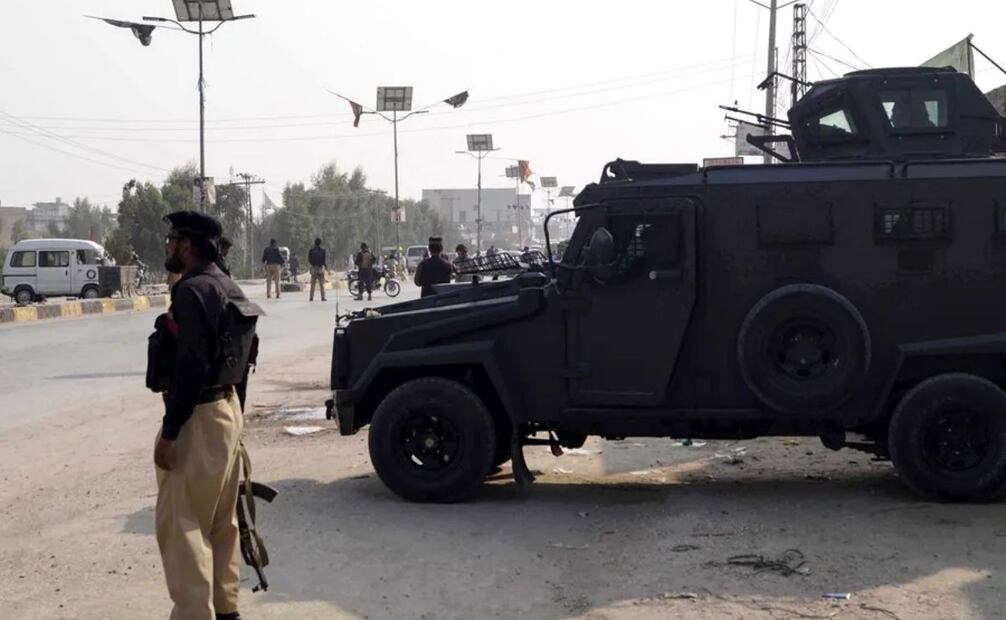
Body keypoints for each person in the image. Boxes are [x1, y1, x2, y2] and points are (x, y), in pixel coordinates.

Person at [156, 210, 260, 620]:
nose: (168, 245)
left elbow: (192, 366)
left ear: (188, 245)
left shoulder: (192, 291)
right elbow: (246, 357)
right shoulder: (229, 286)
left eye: (173, 239)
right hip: (227, 409)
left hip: (198, 417)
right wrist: (237, 423)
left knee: (183, 524)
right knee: (221, 523)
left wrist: (169, 432)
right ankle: (226, 610)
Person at [308, 238, 327, 302]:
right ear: (320, 243)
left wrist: (313, 264)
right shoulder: (323, 250)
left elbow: (309, 259)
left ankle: (311, 297)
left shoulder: (311, 250)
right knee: (322, 284)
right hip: (320, 268)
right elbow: (324, 260)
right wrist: (323, 266)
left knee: (313, 283)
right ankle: (323, 297)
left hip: (314, 268)